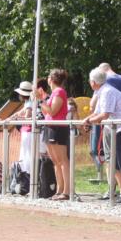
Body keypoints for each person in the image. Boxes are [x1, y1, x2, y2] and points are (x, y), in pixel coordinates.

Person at [82, 67, 121, 204]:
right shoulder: (102, 91)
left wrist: (89, 121)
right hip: (120, 129)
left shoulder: (107, 91)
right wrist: (86, 120)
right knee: (115, 163)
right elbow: (97, 112)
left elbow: (104, 114)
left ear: (93, 82)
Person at [41, 69, 72, 201]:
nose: (47, 79)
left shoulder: (59, 92)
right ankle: (59, 190)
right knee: (55, 161)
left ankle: (66, 191)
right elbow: (47, 113)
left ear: (52, 79)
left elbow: (53, 111)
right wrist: (43, 99)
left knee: (63, 160)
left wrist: (41, 100)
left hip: (57, 128)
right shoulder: (54, 93)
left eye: (48, 76)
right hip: (49, 127)